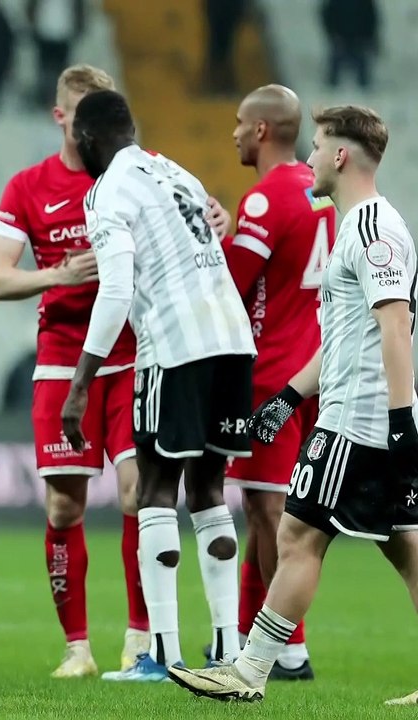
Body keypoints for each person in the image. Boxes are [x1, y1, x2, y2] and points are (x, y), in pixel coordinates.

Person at [169, 107, 418, 706]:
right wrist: (286, 398)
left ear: (340, 156)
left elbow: (394, 328)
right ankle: (251, 669)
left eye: (317, 146)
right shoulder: (350, 224)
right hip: (356, 410)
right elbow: (343, 338)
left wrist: (399, 422)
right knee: (406, 549)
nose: (307, 157)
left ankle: (250, 671)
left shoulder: (373, 231)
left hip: (358, 420)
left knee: (300, 535)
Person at [61, 89, 256, 681]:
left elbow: (117, 289)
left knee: (154, 490)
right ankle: (226, 650)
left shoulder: (107, 190)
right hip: (232, 339)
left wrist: (81, 383)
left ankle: (163, 655)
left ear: (89, 139)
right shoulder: (177, 172)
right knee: (209, 492)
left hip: (176, 346)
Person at [0, 65, 149, 678]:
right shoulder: (29, 186)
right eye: (81, 115)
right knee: (62, 508)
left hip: (132, 352)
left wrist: (217, 216)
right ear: (61, 117)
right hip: (60, 358)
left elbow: (196, 219)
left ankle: (140, 636)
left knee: (139, 492)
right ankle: (77, 648)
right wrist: (57, 274)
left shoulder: (139, 173)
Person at [212, 84, 335, 679]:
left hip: (272, 375)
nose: (233, 132)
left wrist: (215, 237)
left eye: (239, 123)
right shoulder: (323, 196)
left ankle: (287, 649)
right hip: (318, 370)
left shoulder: (263, 201)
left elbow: (232, 288)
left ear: (262, 131)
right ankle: (245, 637)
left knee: (267, 512)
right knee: (277, 511)